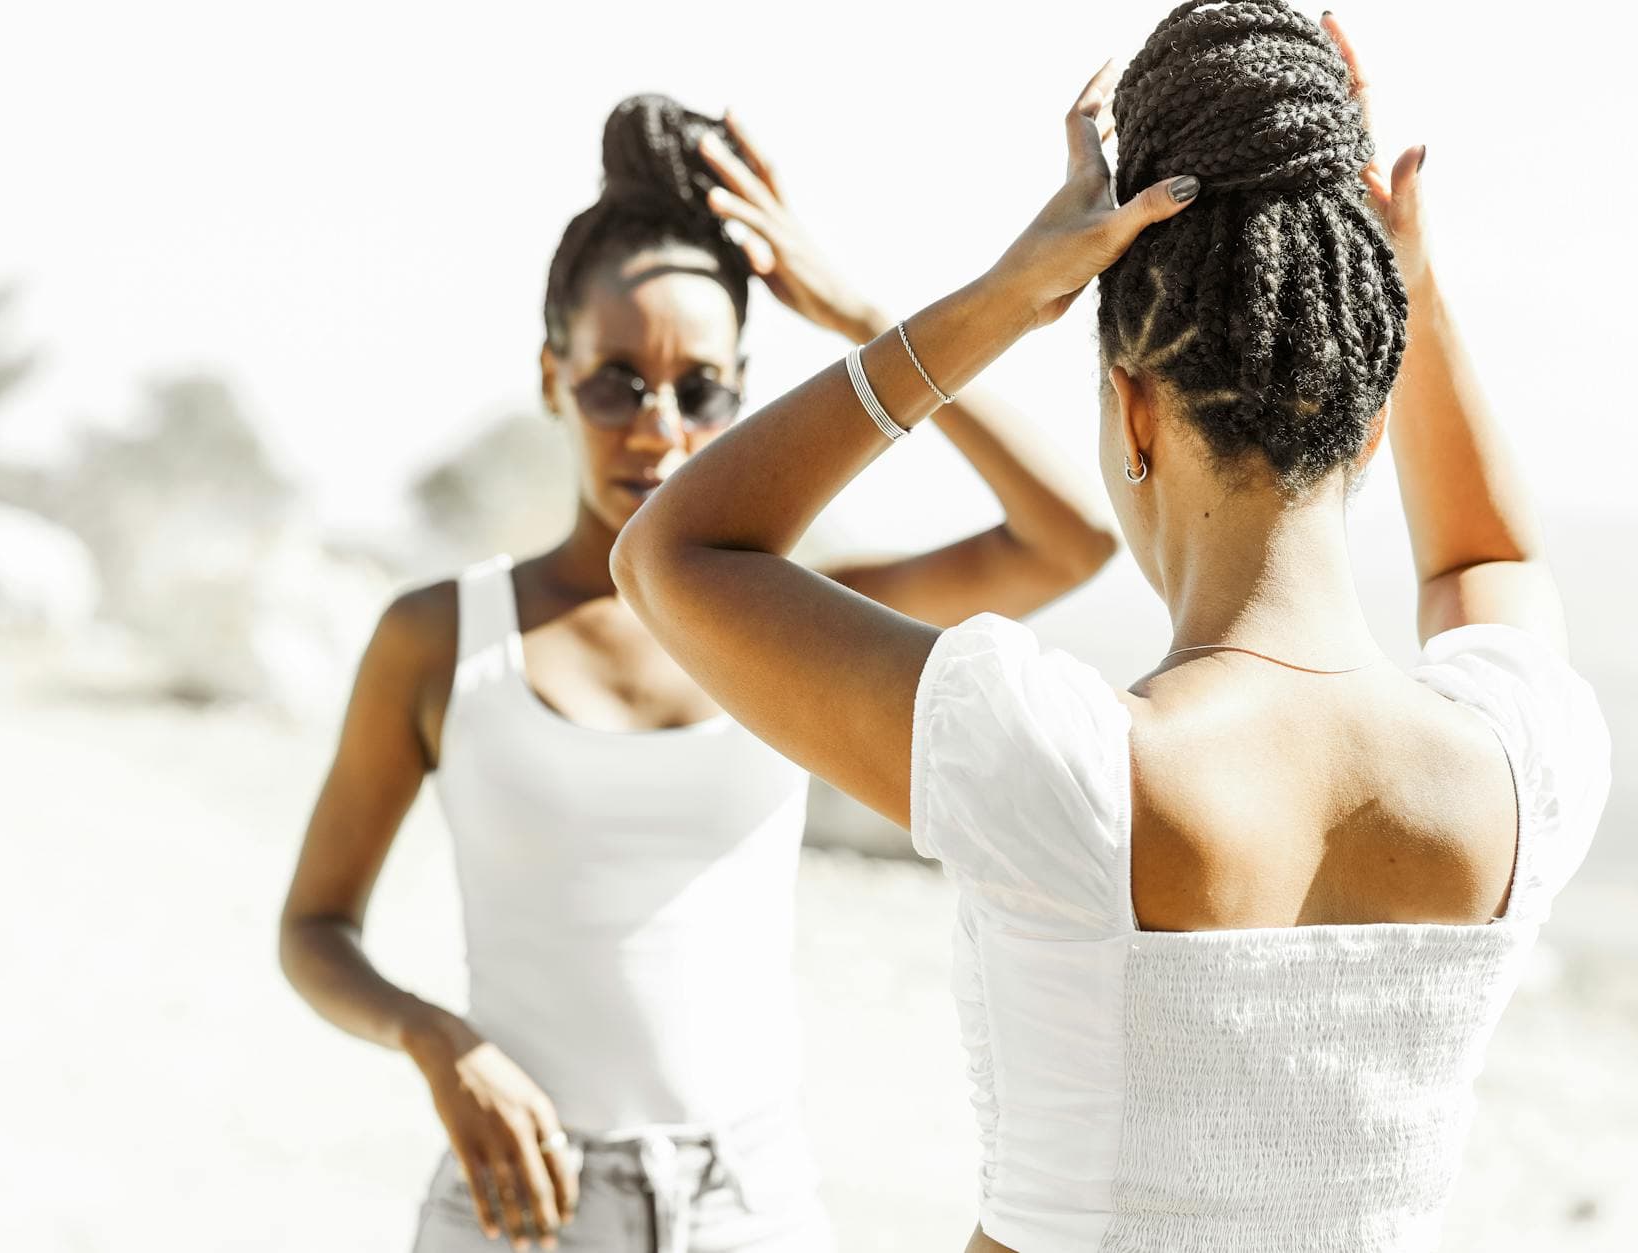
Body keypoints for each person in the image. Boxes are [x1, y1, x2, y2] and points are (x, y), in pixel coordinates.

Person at [611, 5, 1612, 1251]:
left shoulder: (1065, 775)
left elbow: (673, 552)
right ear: (1370, 416)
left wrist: (1002, 294)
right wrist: (1404, 282)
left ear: (1132, 418)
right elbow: (1486, 555)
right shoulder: (1519, 772)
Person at [279, 93, 1122, 1253]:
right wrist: (437, 1040)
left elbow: (1068, 537)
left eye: (702, 389)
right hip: (517, 1202)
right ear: (549, 375)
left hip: (750, 1204)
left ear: (738, 392)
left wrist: (861, 315)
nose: (658, 426)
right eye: (614, 381)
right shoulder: (440, 638)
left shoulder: (791, 621)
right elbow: (314, 926)